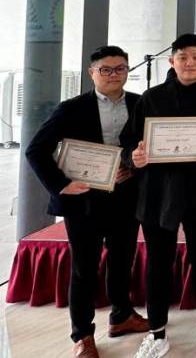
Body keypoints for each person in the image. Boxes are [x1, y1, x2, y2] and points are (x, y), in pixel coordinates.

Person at [25, 46, 148, 358]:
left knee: (123, 261)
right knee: (84, 269)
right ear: (92, 73)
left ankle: (121, 316)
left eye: (120, 68)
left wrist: (132, 168)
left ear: (127, 71)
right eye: (105, 69)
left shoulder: (140, 104)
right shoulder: (72, 108)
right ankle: (82, 335)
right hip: (84, 200)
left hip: (125, 198)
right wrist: (61, 186)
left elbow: (149, 147)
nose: (113, 74)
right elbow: (36, 150)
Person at [122, 34, 196, 358]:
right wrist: (136, 157)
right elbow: (128, 141)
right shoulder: (150, 98)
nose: (189, 63)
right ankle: (157, 332)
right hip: (158, 192)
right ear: (172, 61)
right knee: (157, 262)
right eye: (183, 57)